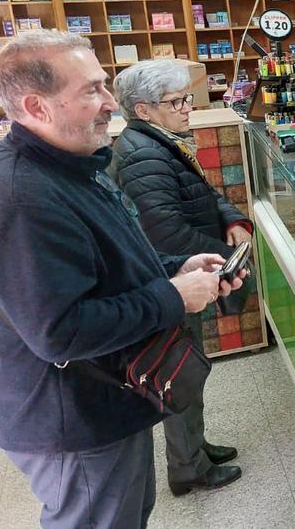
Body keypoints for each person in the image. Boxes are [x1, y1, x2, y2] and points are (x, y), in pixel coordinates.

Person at [0, 30, 245, 527]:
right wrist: (172, 297)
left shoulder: (76, 166)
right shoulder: (19, 198)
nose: (110, 103)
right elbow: (60, 331)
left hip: (114, 399)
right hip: (76, 423)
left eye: (104, 85)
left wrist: (178, 268)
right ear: (37, 106)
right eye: (90, 90)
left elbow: (113, 263)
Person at [111, 60, 250, 496]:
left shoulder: (162, 141)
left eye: (187, 98)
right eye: (176, 102)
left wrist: (229, 216)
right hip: (174, 281)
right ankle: (188, 468)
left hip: (183, 275)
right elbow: (166, 230)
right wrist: (224, 258)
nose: (187, 108)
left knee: (189, 370)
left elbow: (201, 192)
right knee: (178, 373)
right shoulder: (142, 155)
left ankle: (195, 448)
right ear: (143, 109)